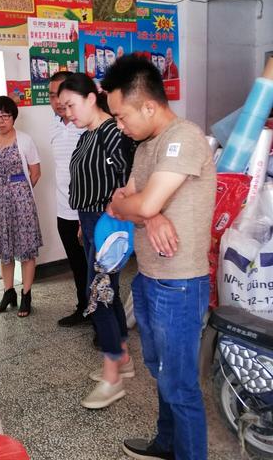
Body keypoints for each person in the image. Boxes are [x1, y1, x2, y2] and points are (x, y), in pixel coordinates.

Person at [103, 55, 216, 460]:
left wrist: (146, 209)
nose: (119, 125)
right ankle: (166, 444)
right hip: (149, 277)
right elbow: (120, 201)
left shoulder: (184, 138)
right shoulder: (145, 146)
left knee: (180, 386)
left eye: (121, 116)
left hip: (180, 283)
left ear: (148, 105)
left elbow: (142, 200)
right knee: (159, 370)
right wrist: (149, 218)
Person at [58, 73, 136, 409]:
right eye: (63, 108)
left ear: (92, 98)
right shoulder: (87, 135)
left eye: (71, 105)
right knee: (108, 291)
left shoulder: (113, 133)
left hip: (110, 226)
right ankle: (123, 358)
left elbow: (131, 179)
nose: (67, 113)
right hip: (90, 222)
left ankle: (112, 378)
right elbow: (86, 181)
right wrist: (82, 223)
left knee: (99, 295)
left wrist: (109, 218)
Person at [0, 96, 42, 318]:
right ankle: (8, 292)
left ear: (13, 117)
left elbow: (35, 172)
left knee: (25, 250)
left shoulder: (25, 140)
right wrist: (0, 193)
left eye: (5, 116)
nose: (1, 120)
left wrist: (20, 192)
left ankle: (26, 294)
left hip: (21, 203)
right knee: (4, 251)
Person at [48, 71, 89, 327]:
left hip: (85, 212)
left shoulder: (84, 124)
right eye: (52, 95)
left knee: (96, 269)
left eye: (62, 94)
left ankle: (101, 319)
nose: (58, 100)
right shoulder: (54, 125)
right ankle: (83, 308)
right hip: (64, 210)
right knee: (76, 265)